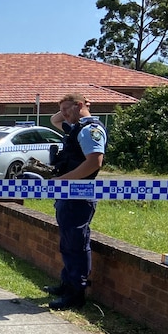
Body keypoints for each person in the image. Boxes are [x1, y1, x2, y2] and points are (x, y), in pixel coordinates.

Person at [46, 94, 106, 310]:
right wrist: (68, 109)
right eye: (61, 110)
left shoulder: (90, 130)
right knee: (68, 242)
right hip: (68, 194)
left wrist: (62, 179)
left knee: (76, 245)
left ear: (80, 106)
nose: (63, 115)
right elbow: (55, 120)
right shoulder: (77, 127)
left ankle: (76, 293)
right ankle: (67, 283)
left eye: (67, 109)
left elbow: (94, 162)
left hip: (79, 195)